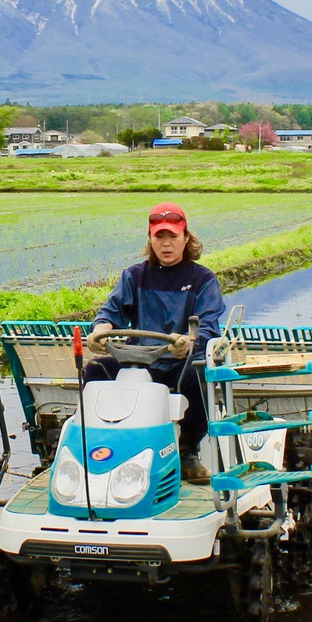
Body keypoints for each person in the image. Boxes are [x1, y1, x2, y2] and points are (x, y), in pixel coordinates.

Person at [85, 202, 225, 483]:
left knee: (196, 374)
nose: (166, 244)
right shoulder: (134, 276)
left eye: (172, 237)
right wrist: (100, 330)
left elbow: (208, 328)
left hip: (179, 361)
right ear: (150, 239)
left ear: (186, 238)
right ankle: (100, 444)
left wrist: (188, 341)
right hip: (138, 360)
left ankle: (188, 451)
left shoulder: (203, 280)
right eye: (159, 237)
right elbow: (110, 312)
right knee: (96, 370)